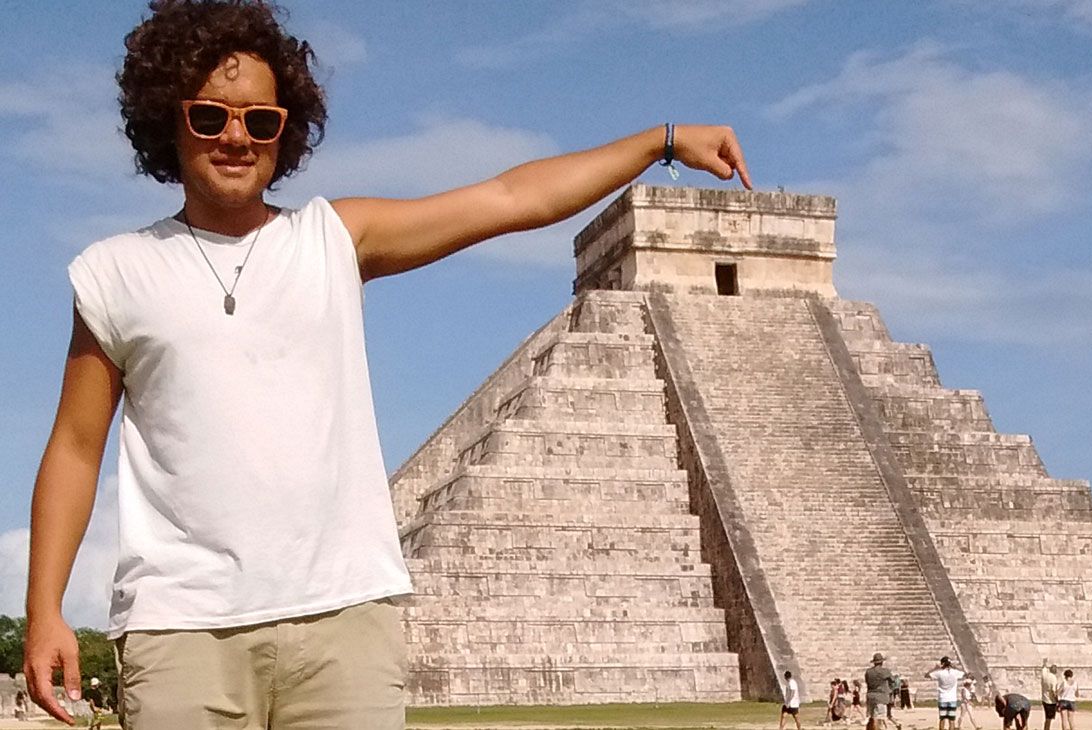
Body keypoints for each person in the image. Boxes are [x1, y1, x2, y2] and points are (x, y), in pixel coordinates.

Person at [21, 2, 752, 728]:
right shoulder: (115, 272)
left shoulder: (335, 239)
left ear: (287, 129)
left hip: (344, 624)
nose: (237, 137)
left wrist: (661, 142)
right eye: (210, 116)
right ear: (168, 121)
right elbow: (76, 449)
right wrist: (44, 607)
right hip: (181, 629)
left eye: (261, 120)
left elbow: (510, 198)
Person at [928, 656, 966, 730]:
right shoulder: (955, 672)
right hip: (952, 698)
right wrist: (955, 667)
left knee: (942, 719)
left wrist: (935, 668)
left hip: (942, 698)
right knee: (951, 720)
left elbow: (927, 675)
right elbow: (965, 674)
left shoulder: (939, 673)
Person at [865, 653, 894, 730]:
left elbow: (867, 682)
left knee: (871, 716)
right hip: (881, 696)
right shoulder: (885, 671)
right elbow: (892, 680)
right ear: (882, 662)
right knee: (878, 717)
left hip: (870, 695)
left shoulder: (868, 672)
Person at [1041, 660, 1061, 730]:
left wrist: (1044, 663)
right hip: (1051, 701)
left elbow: (1043, 668)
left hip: (1044, 699)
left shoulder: (1044, 675)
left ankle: (1046, 728)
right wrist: (1057, 701)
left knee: (1047, 717)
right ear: (1055, 671)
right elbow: (1053, 691)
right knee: (1049, 718)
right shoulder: (1053, 678)